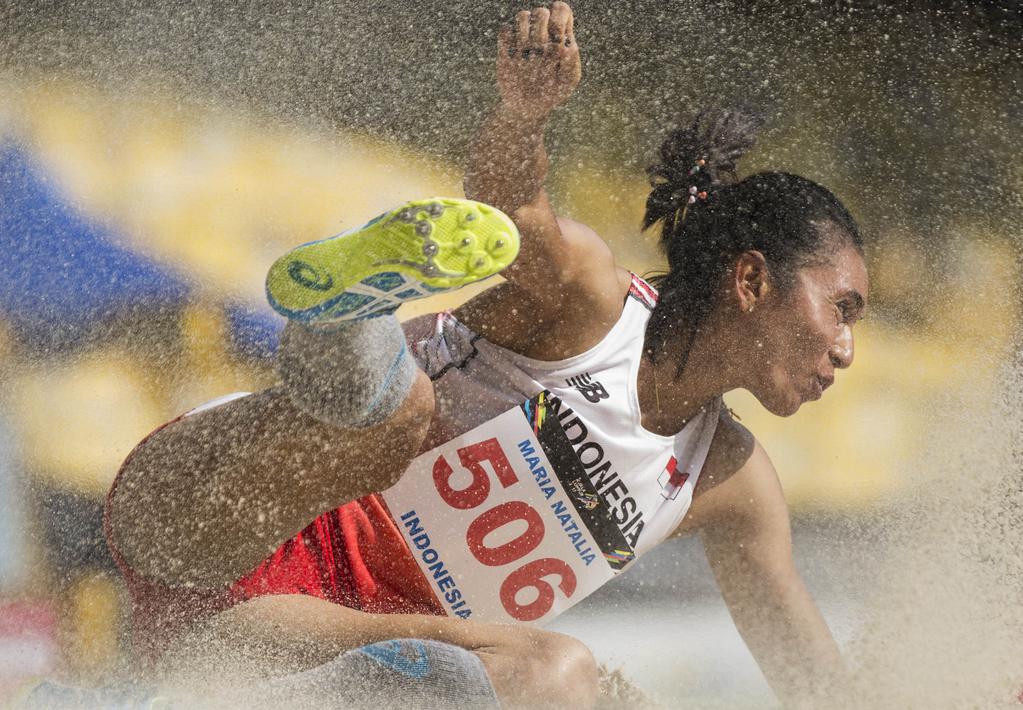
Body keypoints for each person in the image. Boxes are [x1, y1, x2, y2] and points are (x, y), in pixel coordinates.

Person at [104, 2, 869, 708]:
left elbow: (814, 684)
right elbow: (504, 215)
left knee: (561, 675)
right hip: (208, 513)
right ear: (750, 280)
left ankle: (144, 704)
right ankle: (346, 318)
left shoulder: (731, 485)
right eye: (841, 310)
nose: (844, 349)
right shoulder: (587, 298)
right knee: (401, 415)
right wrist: (521, 118)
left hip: (270, 640)